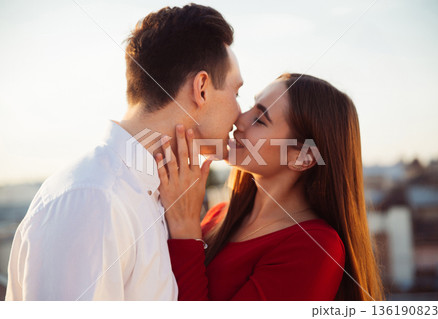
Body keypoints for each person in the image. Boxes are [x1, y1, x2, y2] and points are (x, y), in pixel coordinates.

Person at [5, 4, 243, 300]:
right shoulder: (95, 199)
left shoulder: (150, 195)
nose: (240, 112)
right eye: (237, 92)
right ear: (202, 88)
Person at [156, 73, 385, 301]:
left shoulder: (316, 247)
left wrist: (186, 231)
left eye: (259, 119)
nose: (239, 119)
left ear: (302, 157)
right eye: (250, 107)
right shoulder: (219, 216)